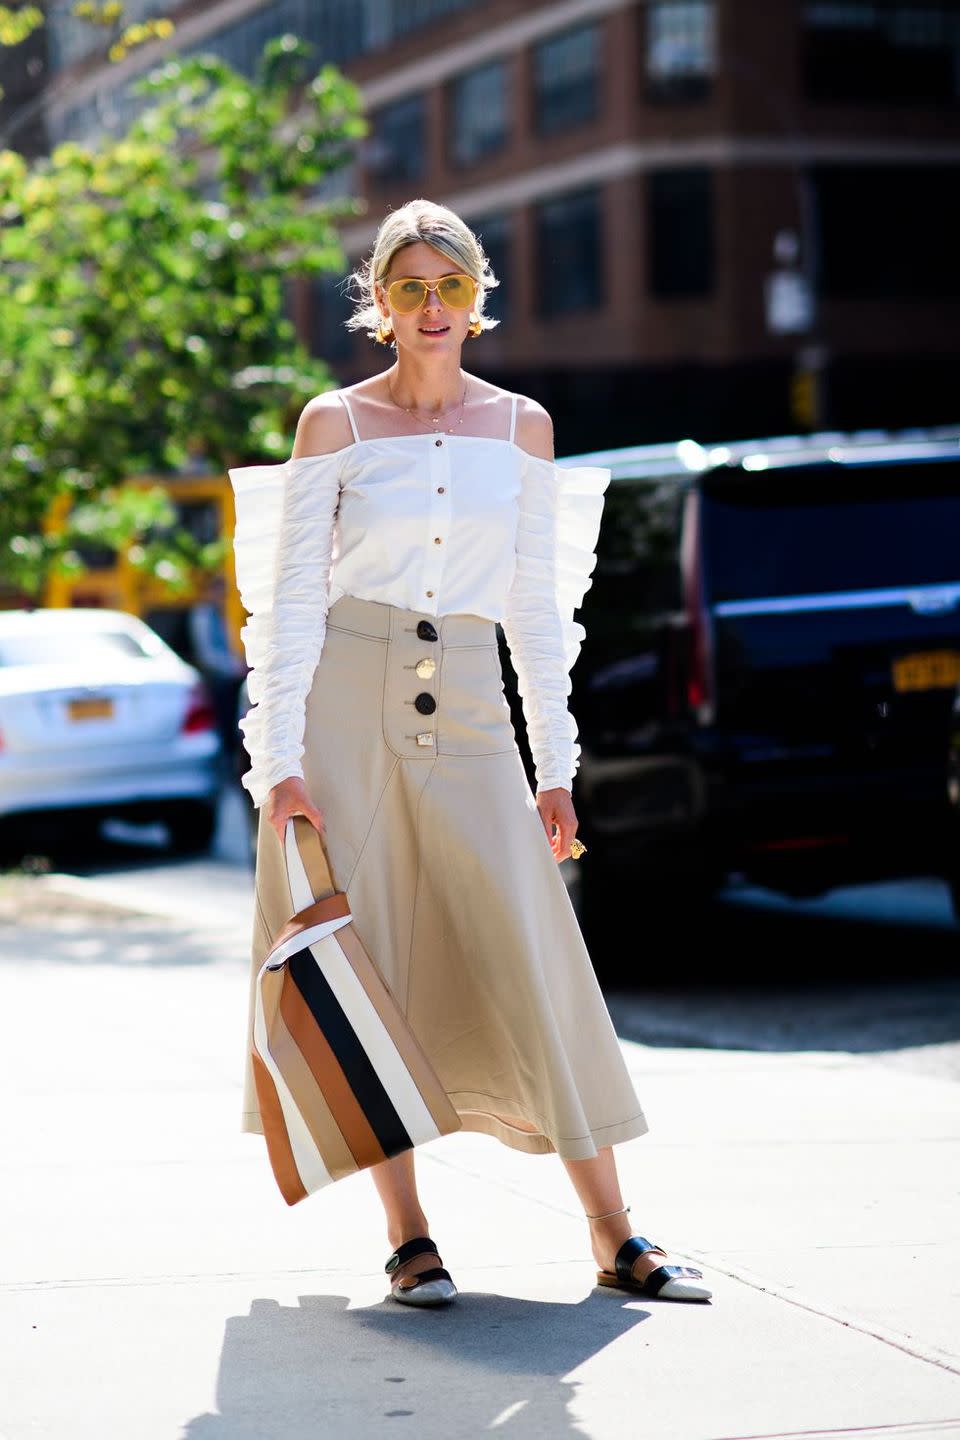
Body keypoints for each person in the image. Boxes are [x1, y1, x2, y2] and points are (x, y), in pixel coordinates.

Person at [229, 198, 712, 1308]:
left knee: (535, 946)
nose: (433, 305)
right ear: (380, 307)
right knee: (366, 956)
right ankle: (409, 1239)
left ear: (480, 300)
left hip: (478, 708)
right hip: (348, 694)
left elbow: (538, 612)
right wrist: (279, 762)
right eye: (411, 287)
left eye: (452, 284)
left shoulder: (524, 429)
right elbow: (291, 605)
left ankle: (615, 1235)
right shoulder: (332, 426)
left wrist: (555, 764)